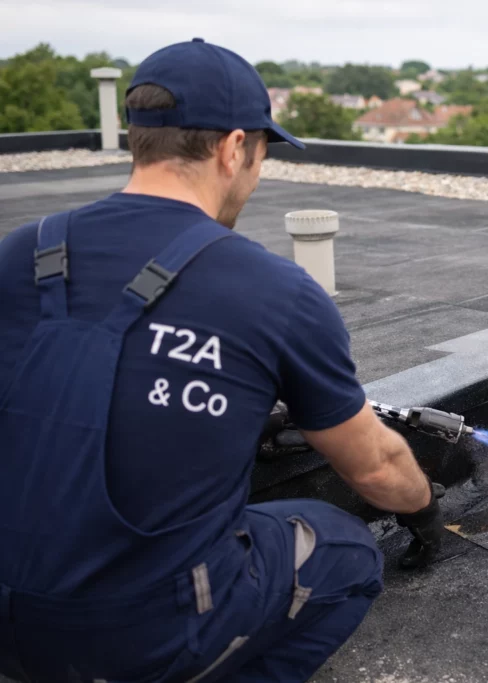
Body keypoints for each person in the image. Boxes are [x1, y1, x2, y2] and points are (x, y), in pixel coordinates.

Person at [0, 38, 445, 682]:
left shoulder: (20, 252)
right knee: (343, 550)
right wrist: (426, 513)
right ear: (234, 147)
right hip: (133, 636)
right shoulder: (277, 289)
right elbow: (375, 467)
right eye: (261, 155)